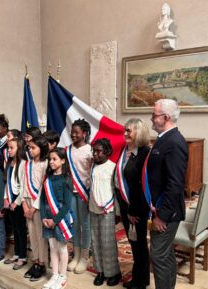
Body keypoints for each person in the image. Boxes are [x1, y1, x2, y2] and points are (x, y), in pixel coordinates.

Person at [146, 99, 188, 289]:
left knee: (158, 256)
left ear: (166, 117)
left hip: (166, 212)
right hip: (161, 207)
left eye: (154, 115)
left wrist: (162, 215)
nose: (151, 119)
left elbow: (175, 184)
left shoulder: (174, 142)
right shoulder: (165, 139)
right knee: (165, 253)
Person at [115, 118, 151, 289]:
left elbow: (142, 185)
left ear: (140, 132)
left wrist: (134, 210)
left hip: (136, 209)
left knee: (139, 245)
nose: (125, 133)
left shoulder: (145, 153)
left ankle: (140, 281)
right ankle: (140, 277)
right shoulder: (124, 150)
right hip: (125, 205)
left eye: (129, 131)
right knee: (133, 243)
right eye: (125, 130)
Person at [90, 139, 121, 287]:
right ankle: (100, 271)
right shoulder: (93, 167)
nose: (95, 154)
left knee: (107, 242)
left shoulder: (112, 167)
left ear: (107, 152)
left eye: (99, 151)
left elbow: (116, 191)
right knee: (95, 241)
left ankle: (113, 272)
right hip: (93, 208)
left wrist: (116, 211)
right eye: (94, 151)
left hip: (107, 210)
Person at [41, 148, 73, 289]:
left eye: (54, 159)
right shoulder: (47, 178)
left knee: (62, 247)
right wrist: (43, 217)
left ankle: (62, 276)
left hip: (60, 217)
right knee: (52, 246)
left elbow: (66, 205)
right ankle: (54, 274)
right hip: (47, 215)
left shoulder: (66, 179)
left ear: (63, 161)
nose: (51, 162)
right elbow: (42, 200)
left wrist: (55, 220)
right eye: (50, 159)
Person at [66, 119, 93, 274]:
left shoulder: (90, 150)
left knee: (86, 224)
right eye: (72, 132)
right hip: (71, 192)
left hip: (85, 192)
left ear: (84, 133)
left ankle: (84, 256)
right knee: (74, 223)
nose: (73, 135)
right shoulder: (68, 150)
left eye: (77, 132)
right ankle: (75, 255)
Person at [22, 136, 49, 281]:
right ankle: (36, 260)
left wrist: (34, 207)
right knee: (31, 235)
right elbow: (23, 184)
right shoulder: (27, 164)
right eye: (29, 148)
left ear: (41, 148)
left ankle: (42, 263)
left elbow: (44, 188)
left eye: (33, 148)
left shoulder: (45, 164)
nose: (30, 150)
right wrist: (25, 204)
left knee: (40, 235)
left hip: (38, 204)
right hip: (27, 201)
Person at [3, 136, 28, 270]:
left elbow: (24, 186)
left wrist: (16, 202)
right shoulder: (9, 162)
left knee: (21, 229)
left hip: (19, 202)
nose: (9, 150)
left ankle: (23, 256)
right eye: (8, 148)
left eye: (12, 148)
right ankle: (17, 253)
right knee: (15, 228)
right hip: (10, 200)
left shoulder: (23, 163)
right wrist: (6, 197)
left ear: (19, 149)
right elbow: (7, 182)